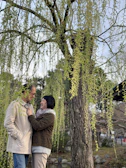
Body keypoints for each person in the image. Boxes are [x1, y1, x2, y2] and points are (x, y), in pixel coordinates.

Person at [4, 84, 36, 168]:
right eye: (32, 94)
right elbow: (8, 123)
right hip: (18, 145)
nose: (34, 96)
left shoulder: (31, 107)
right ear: (25, 92)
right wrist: (19, 136)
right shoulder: (15, 105)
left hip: (27, 146)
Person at [27, 95, 56, 168]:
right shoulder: (41, 114)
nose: (41, 102)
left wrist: (30, 116)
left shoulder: (50, 115)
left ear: (47, 102)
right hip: (36, 147)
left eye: (42, 100)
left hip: (42, 147)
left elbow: (38, 126)